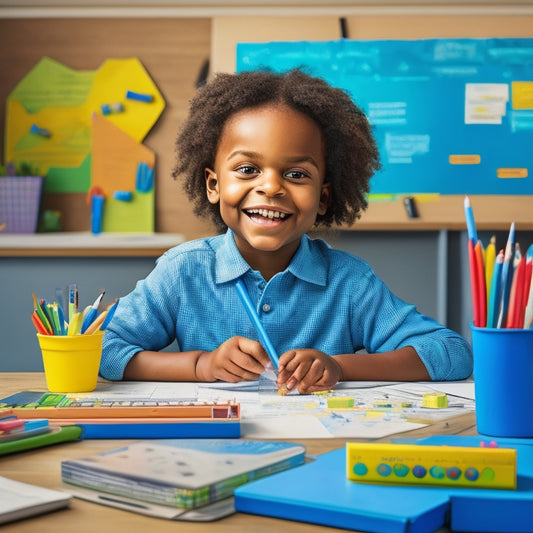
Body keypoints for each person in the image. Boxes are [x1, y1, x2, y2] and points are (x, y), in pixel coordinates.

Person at [100, 69, 473, 393]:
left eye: (296, 175)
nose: (272, 187)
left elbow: (450, 354)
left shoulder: (347, 281)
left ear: (323, 198)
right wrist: (201, 365)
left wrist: (340, 367)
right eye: (247, 169)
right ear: (213, 185)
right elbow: (100, 349)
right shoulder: (183, 271)